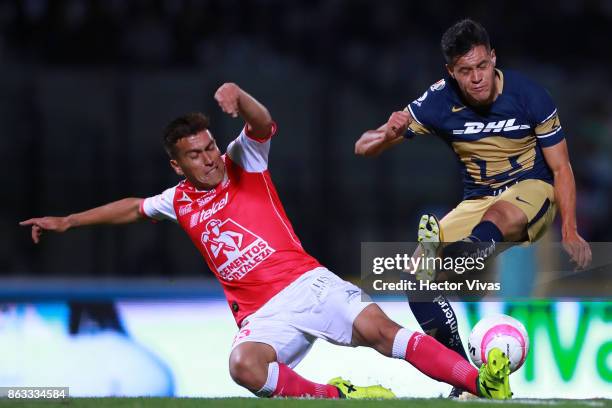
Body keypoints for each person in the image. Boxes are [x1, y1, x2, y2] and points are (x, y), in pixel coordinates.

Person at [21, 82, 512, 399]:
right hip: (263, 316)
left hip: (308, 284)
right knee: (244, 366)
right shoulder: (179, 200)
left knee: (384, 332)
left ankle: (479, 382)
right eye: (196, 154)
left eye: (210, 146)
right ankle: (336, 397)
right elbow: (131, 207)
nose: (210, 158)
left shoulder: (244, 161)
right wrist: (67, 221)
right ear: (178, 165)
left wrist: (242, 97)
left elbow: (261, 123)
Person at [355, 19, 592, 397]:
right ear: (451, 72)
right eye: (466, 71)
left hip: (533, 192)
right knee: (416, 277)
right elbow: (362, 147)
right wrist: (388, 133)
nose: (477, 78)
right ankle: (465, 377)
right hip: (478, 200)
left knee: (494, 217)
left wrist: (569, 229)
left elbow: (562, 167)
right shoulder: (436, 101)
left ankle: (471, 253)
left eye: (482, 66)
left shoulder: (530, 96)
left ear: (493, 58)